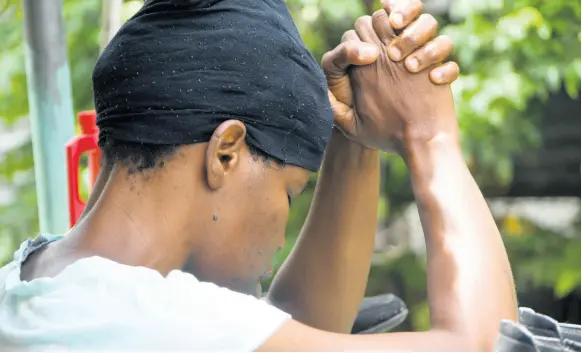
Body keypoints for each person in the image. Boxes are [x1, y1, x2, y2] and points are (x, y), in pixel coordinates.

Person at [0, 0, 517, 351]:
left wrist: (355, 140)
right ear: (225, 153)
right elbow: (490, 344)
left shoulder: (39, 288)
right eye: (290, 195)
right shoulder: (145, 321)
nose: (279, 236)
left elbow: (292, 325)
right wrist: (430, 138)